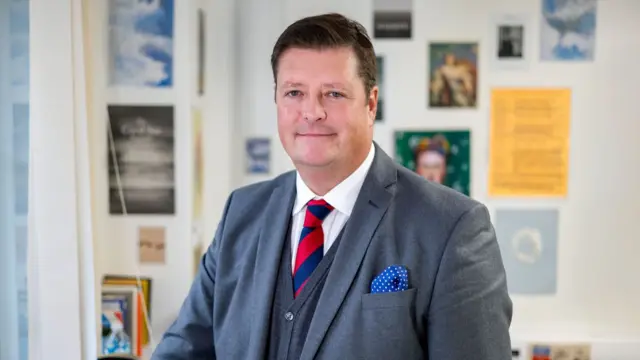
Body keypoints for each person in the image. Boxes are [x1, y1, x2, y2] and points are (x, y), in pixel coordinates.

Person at [151, 12, 512, 360]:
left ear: (371, 105)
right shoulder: (241, 214)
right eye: (294, 93)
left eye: (333, 94)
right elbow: (184, 349)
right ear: (276, 100)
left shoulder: (452, 228)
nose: (312, 112)